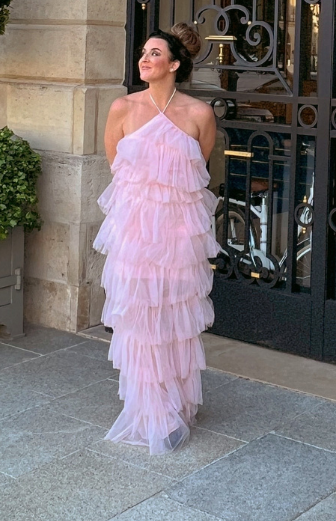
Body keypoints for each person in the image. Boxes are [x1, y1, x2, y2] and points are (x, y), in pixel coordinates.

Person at [94, 23, 218, 453]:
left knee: (173, 320)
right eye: (143, 53)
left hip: (179, 235)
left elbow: (196, 173)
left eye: (154, 54)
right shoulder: (122, 108)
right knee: (141, 320)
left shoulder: (199, 114)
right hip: (133, 234)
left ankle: (176, 403)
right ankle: (151, 410)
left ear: (175, 64)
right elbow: (117, 165)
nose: (144, 60)